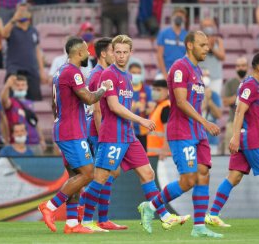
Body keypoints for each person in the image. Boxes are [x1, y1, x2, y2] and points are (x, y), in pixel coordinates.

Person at [81, 35, 189, 233]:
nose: (121, 56)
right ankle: (86, 220)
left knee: (148, 172)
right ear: (112, 53)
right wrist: (141, 120)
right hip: (112, 134)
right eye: (118, 52)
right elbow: (113, 107)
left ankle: (163, 216)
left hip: (128, 136)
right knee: (101, 178)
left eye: (125, 52)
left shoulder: (128, 76)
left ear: (131, 53)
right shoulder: (107, 75)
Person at [139, 31, 223, 238]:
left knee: (203, 175)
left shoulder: (197, 70)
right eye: (202, 45)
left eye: (207, 45)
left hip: (198, 131)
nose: (207, 48)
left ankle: (199, 227)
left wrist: (202, 125)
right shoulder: (179, 68)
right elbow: (181, 101)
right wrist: (205, 121)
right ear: (190, 45)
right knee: (188, 180)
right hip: (182, 131)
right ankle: (150, 206)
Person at [206, 52, 259, 227]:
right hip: (254, 139)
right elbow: (239, 111)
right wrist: (235, 137)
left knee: (234, 177)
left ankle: (213, 214)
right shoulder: (250, 86)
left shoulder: (252, 86)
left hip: (246, 139)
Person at [38, 37, 112, 234]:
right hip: (71, 132)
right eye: (87, 51)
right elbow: (88, 98)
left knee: (75, 176)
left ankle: (71, 223)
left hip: (64, 128)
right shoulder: (73, 72)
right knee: (88, 173)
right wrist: (104, 88)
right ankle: (50, 206)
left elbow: (55, 106)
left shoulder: (59, 72)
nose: (89, 54)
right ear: (79, 53)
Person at [80, 37, 127, 230]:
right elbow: (97, 109)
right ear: (103, 54)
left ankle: (100, 217)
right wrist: (102, 136)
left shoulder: (100, 73)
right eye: (112, 50)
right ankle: (85, 208)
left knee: (108, 173)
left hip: (99, 128)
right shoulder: (100, 74)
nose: (117, 54)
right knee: (106, 173)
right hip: (98, 129)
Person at [2, 4, 46, 101]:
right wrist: (14, 19)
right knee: (12, 100)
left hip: (32, 70)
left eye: (24, 10)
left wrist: (42, 71)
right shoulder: (12, 29)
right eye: (20, 11)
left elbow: (37, 50)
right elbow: (3, 33)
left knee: (35, 100)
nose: (22, 13)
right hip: (14, 69)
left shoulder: (33, 31)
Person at [1, 75, 46, 155]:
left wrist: (42, 139)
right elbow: (3, 100)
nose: (20, 87)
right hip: (18, 145)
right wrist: (7, 86)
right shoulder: (11, 102)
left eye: (23, 85)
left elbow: (35, 122)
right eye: (17, 85)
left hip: (35, 143)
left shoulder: (30, 103)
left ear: (27, 86)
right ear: (13, 87)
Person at [222, 56, 248, 154]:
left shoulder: (252, 81)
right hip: (232, 122)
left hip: (248, 124)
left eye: (243, 65)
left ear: (248, 67)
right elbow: (225, 102)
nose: (241, 68)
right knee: (230, 153)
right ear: (235, 67)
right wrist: (240, 96)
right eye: (238, 66)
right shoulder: (230, 83)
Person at [128, 62, 154, 150]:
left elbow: (151, 109)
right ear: (128, 73)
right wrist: (133, 108)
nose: (136, 75)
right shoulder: (125, 88)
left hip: (143, 131)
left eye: (138, 73)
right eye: (133, 73)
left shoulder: (146, 89)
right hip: (128, 130)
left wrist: (146, 109)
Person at [156, 8, 188, 78]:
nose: (179, 18)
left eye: (181, 16)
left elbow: (188, 57)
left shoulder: (187, 36)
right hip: (164, 71)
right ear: (173, 17)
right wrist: (164, 74)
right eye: (177, 15)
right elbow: (159, 55)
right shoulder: (164, 33)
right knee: (158, 84)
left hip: (180, 73)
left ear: (185, 19)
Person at [198, 18, 225, 96]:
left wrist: (212, 48)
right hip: (201, 76)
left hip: (216, 77)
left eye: (210, 25)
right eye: (205, 25)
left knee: (215, 101)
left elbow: (222, 57)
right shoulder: (197, 41)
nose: (207, 27)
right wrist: (207, 47)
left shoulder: (218, 40)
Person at [146, 78, 171, 159]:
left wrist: (164, 150)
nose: (155, 92)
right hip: (154, 154)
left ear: (167, 91)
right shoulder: (158, 106)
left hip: (162, 155)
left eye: (158, 90)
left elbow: (169, 132)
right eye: (153, 89)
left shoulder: (166, 107)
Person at [201, 70, 222, 155]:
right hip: (198, 138)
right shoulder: (194, 94)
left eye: (207, 75)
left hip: (211, 139)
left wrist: (209, 101)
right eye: (204, 75)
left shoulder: (214, 95)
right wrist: (205, 101)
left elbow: (218, 115)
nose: (206, 78)